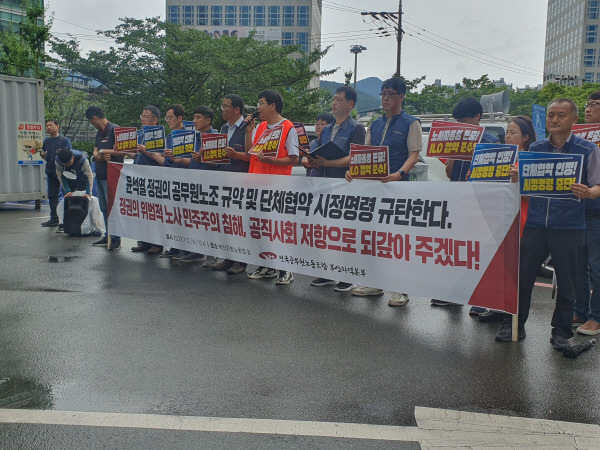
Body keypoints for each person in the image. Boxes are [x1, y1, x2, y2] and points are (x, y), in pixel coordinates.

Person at [496, 98, 600, 350]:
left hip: (570, 225)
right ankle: (515, 325)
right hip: (535, 223)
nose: (554, 119)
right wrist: (517, 177)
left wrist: (588, 192)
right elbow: (522, 187)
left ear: (574, 120)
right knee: (522, 277)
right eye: (551, 115)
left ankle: (561, 333)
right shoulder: (536, 148)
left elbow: (598, 185)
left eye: (561, 115)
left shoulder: (587, 150)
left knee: (568, 283)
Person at [345, 77, 423, 307]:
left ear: (401, 96)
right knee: (375, 237)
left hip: (398, 188)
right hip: (374, 189)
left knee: (398, 239)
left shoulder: (411, 123)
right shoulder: (376, 124)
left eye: (390, 94)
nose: (385, 98)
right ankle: (374, 282)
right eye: (383, 94)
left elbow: (414, 155)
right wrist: (354, 172)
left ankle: (401, 289)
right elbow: (365, 154)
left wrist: (399, 173)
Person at [432, 96, 501, 311]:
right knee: (457, 251)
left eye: (464, 120)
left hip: (481, 205)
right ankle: (455, 294)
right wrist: (453, 153)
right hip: (458, 200)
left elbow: (495, 178)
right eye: (457, 121)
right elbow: (450, 173)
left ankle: (482, 299)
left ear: (477, 117)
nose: (460, 125)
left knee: (480, 252)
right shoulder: (457, 141)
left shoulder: (491, 142)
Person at [478, 116, 536, 323]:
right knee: (499, 266)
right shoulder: (499, 157)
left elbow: (535, 193)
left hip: (521, 218)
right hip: (498, 217)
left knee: (516, 269)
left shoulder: (530, 159)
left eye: (513, 133)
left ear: (526, 137)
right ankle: (498, 306)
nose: (508, 136)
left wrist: (519, 181)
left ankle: (511, 315)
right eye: (507, 132)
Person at [309, 87, 365, 292]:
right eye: (333, 99)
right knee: (325, 231)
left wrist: (329, 162)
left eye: (339, 100)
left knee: (343, 232)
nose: (334, 103)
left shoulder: (356, 128)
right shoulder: (326, 129)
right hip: (323, 185)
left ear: (350, 105)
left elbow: (356, 157)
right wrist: (316, 162)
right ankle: (327, 272)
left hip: (343, 186)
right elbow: (320, 154)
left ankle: (347, 275)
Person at [243, 89, 300, 285]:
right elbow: (251, 153)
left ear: (272, 106)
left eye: (261, 103)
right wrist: (249, 131)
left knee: (278, 228)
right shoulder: (260, 127)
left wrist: (270, 160)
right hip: (257, 183)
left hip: (277, 185)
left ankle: (285, 269)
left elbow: (294, 158)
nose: (258, 107)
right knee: (261, 227)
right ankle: (266, 265)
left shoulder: (288, 127)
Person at [209, 94, 252, 274]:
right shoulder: (224, 127)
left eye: (226, 106)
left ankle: (240, 261)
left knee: (238, 223)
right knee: (225, 221)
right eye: (222, 106)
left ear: (237, 110)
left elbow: (251, 156)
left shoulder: (248, 128)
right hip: (223, 179)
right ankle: (228, 257)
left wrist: (235, 155)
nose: (222, 109)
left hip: (240, 181)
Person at [169, 105, 218, 263]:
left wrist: (201, 159)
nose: (194, 121)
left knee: (210, 220)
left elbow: (217, 164)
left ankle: (212, 254)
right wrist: (180, 159)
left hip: (209, 185)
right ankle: (196, 251)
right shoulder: (195, 137)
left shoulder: (215, 137)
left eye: (198, 118)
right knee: (196, 219)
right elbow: (193, 162)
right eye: (194, 117)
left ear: (208, 120)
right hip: (194, 182)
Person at [143, 104, 188, 259]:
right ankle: (174, 247)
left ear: (180, 118)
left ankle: (186, 248)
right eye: (167, 118)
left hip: (183, 181)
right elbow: (165, 162)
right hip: (169, 180)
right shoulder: (169, 137)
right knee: (173, 216)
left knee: (183, 217)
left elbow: (189, 162)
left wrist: (178, 158)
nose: (168, 121)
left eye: (170, 117)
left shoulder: (188, 135)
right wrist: (150, 154)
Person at [574, 91, 600, 335]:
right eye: (587, 104)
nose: (588, 108)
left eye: (594, 104)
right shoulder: (579, 140)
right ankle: (580, 310)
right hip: (577, 211)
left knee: (596, 266)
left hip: (597, 212)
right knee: (579, 265)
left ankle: (596, 316)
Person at [86, 106, 123, 251]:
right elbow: (96, 149)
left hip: (112, 175)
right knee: (104, 207)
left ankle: (115, 238)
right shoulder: (99, 133)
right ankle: (108, 234)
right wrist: (98, 154)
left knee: (112, 208)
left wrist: (106, 153)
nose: (92, 124)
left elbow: (124, 151)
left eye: (91, 121)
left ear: (94, 118)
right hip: (100, 174)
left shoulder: (115, 129)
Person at [131, 105, 163, 255]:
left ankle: (157, 243)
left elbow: (160, 157)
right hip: (139, 177)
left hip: (153, 177)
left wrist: (147, 152)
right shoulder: (140, 134)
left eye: (146, 116)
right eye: (141, 116)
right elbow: (136, 155)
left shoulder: (158, 135)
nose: (142, 119)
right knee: (142, 212)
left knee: (154, 213)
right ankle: (144, 241)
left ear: (155, 119)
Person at [40, 120, 71, 227]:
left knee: (66, 195)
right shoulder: (46, 141)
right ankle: (54, 218)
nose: (48, 127)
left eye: (51, 125)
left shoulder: (64, 140)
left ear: (57, 126)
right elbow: (45, 155)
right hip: (51, 172)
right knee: (52, 195)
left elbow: (68, 155)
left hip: (63, 173)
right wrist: (43, 155)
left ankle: (66, 219)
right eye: (47, 125)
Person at [302, 112, 334, 177]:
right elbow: (304, 161)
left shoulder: (331, 144)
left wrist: (321, 163)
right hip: (310, 182)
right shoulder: (312, 143)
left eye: (322, 124)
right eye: (317, 124)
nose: (318, 127)